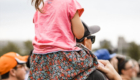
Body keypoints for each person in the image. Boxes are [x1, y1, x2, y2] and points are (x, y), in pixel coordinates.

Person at [29, 0, 100, 79]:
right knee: (92, 62)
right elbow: (79, 34)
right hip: (63, 56)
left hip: (39, 59)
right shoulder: (70, 3)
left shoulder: (40, 7)